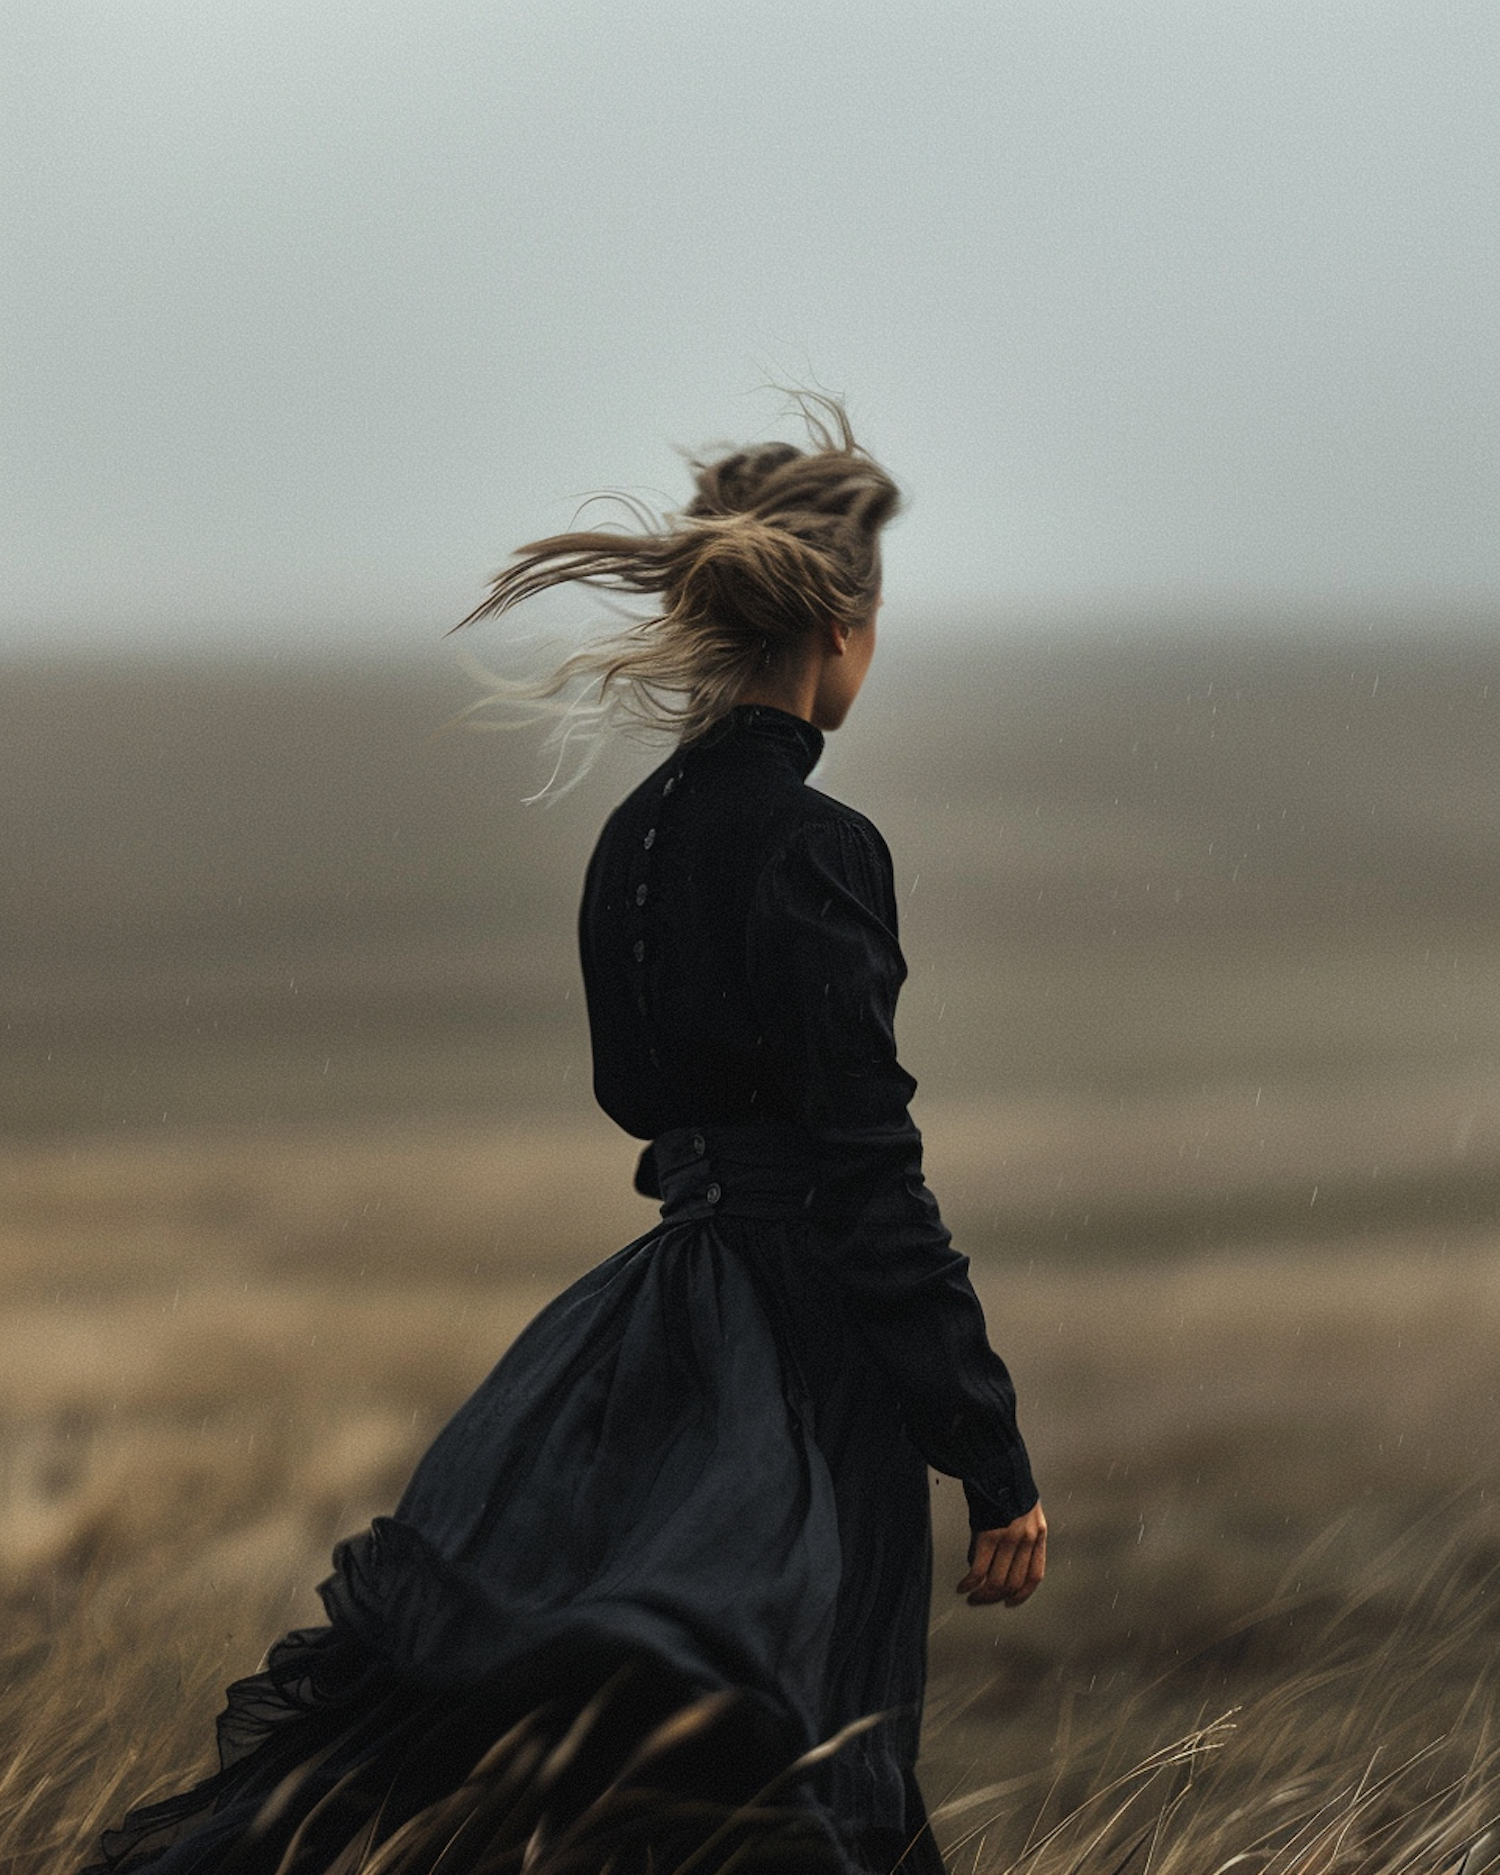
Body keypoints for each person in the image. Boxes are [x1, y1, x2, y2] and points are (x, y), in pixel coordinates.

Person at [85, 399, 1045, 1875]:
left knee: (612, 1747)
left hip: (652, 1322)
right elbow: (869, 1168)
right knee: (812, 1754)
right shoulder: (822, 844)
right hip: (797, 1352)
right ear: (842, 625)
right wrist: (989, 1450)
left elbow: (638, 1097)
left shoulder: (635, 836)